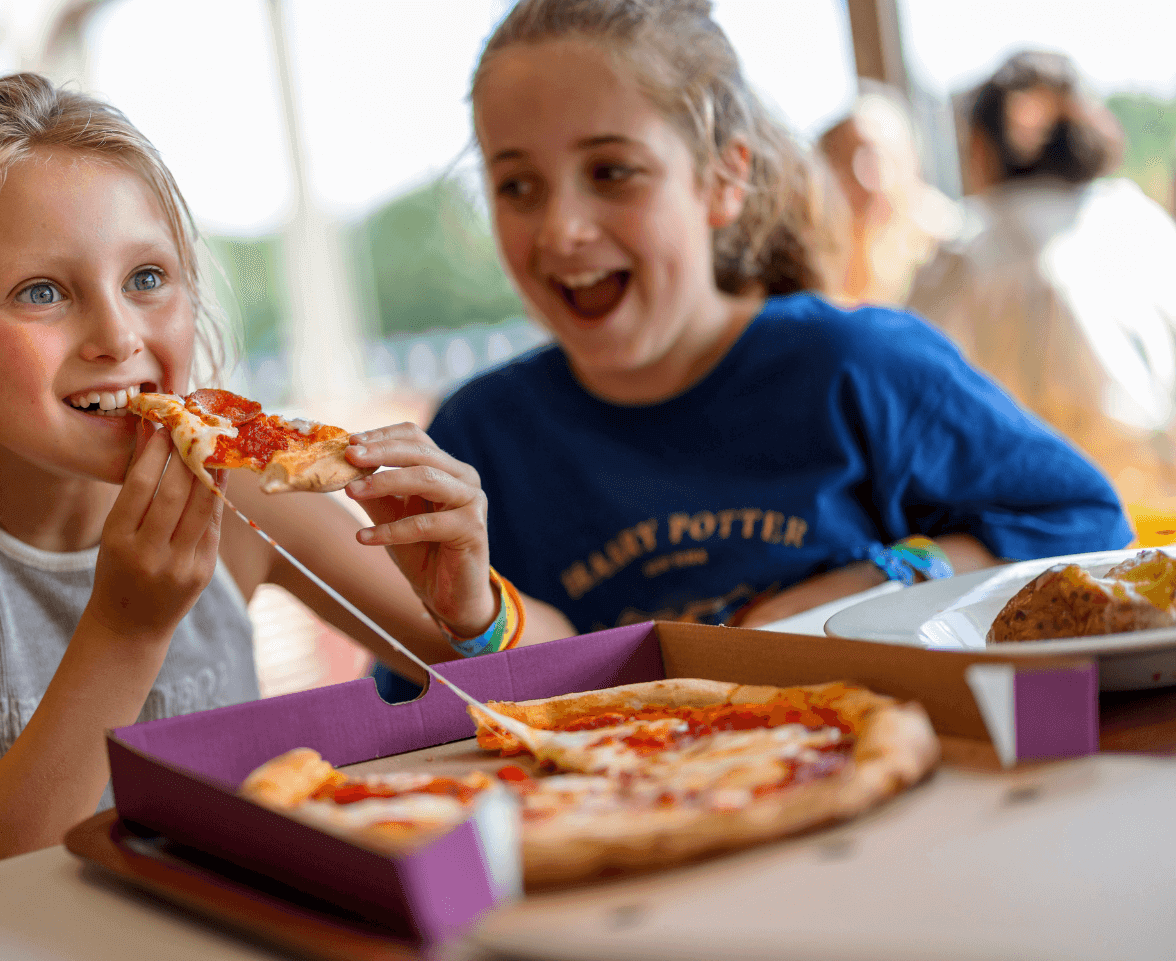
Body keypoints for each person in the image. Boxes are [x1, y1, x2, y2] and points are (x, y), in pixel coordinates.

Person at [0, 74, 569, 891]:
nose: (118, 335)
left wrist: (474, 606)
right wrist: (124, 632)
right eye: (42, 292)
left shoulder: (239, 488)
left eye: (147, 278)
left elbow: (568, 686)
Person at [375, 0, 1131, 702]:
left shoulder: (857, 363)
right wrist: (471, 617)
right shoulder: (478, 436)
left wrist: (884, 573)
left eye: (611, 172)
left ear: (724, 178)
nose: (560, 229)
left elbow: (1086, 523)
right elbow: (459, 699)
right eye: (517, 186)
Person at [907, 50, 1176, 517]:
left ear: (982, 147)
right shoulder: (1141, 220)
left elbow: (910, 389)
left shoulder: (970, 246)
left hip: (1053, 522)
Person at [817, 86, 960, 306]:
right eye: (846, 167)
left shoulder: (951, 253)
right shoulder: (821, 276)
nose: (870, 183)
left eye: (878, 160)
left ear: (912, 162)